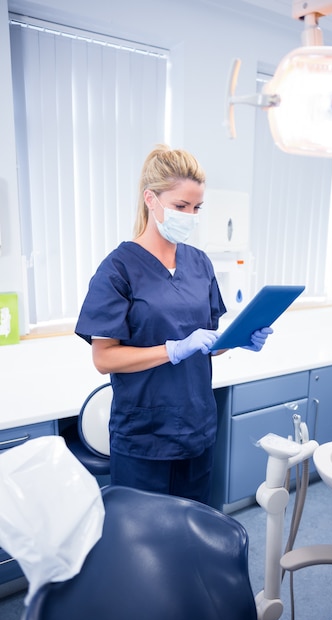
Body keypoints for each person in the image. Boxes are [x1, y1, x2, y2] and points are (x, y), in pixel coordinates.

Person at [75, 144, 272, 504]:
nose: (191, 215)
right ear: (151, 199)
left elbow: (208, 341)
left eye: (196, 207)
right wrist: (172, 349)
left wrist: (239, 337)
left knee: (193, 532)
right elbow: (104, 359)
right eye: (181, 206)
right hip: (144, 435)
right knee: (143, 545)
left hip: (196, 425)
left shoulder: (199, 263)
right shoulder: (118, 269)